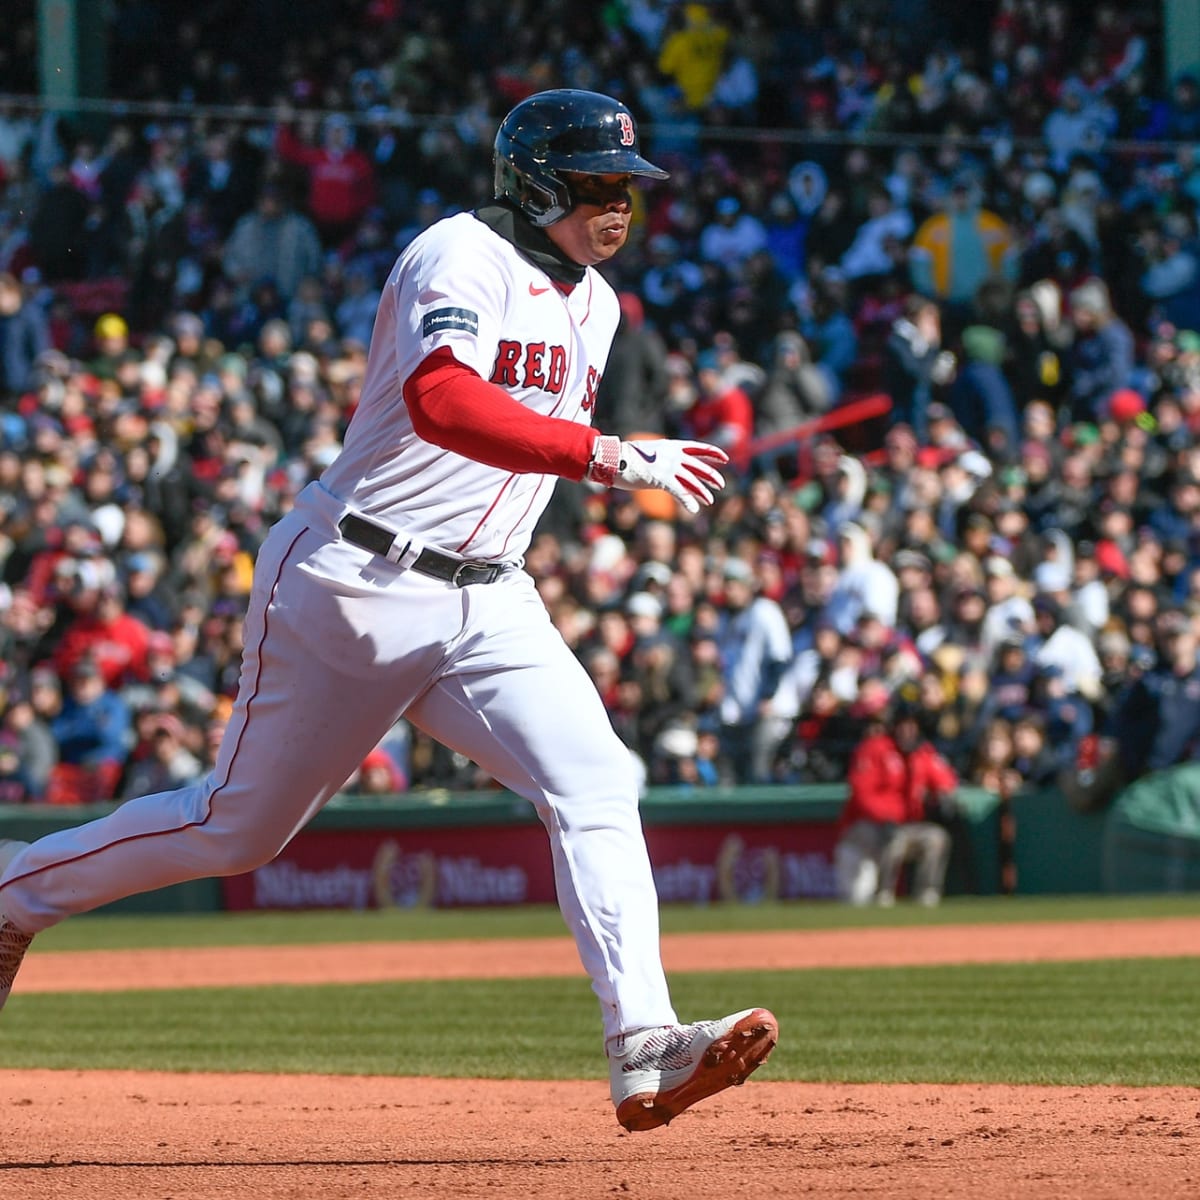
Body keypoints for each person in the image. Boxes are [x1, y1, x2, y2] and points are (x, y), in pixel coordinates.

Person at [0, 89, 776, 1133]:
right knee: (237, 832)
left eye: (631, 189)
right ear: (539, 180)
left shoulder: (598, 305)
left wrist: (591, 457)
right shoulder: (456, 256)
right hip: (353, 582)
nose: (622, 207)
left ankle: (644, 1046)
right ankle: (16, 893)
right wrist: (603, 454)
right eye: (600, 183)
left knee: (597, 781)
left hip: (492, 599)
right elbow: (442, 402)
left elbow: (509, 451)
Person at [834, 701, 957, 907]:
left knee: (936, 838)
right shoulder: (875, 748)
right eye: (903, 725)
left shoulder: (922, 752)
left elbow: (945, 780)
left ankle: (927, 896)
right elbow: (862, 795)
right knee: (857, 899)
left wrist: (944, 795)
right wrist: (889, 817)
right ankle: (884, 896)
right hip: (866, 829)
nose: (907, 731)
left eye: (912, 725)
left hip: (905, 827)